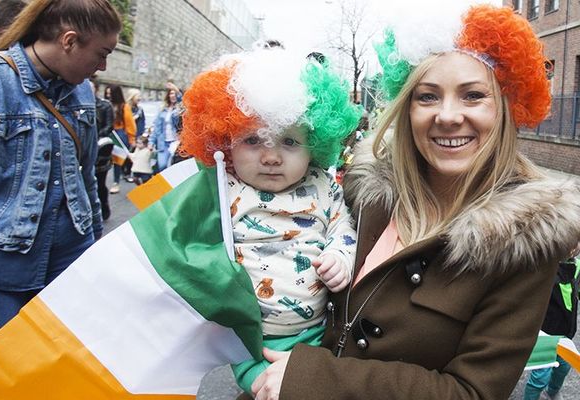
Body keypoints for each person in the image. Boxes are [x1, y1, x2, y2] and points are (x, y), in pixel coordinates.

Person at [247, 4, 580, 400]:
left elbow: (472, 392)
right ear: (407, 108)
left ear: (505, 108)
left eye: (473, 95)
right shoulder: (364, 194)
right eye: (427, 97)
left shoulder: (526, 240)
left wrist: (315, 379)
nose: (448, 115)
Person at [0, 0, 121, 353]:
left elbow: (85, 182)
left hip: (70, 262)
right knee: (1, 378)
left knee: (60, 370)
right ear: (69, 41)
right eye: (101, 53)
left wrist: (96, 251)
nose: (103, 66)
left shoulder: (81, 91)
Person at [178, 48, 362, 395]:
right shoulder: (221, 189)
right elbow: (189, 245)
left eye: (290, 141)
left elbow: (343, 228)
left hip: (317, 331)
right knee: (266, 391)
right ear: (225, 143)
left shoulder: (322, 186)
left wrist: (341, 256)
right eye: (252, 140)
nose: (272, 156)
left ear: (315, 145)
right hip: (246, 338)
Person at [523, 247, 579, 400]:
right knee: (540, 378)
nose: (574, 246)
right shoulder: (542, 270)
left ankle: (552, 393)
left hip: (565, 333)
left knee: (564, 367)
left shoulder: (576, 266)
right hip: (543, 334)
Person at [90, 77, 114, 220]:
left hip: (101, 151)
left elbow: (109, 126)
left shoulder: (105, 106)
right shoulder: (76, 104)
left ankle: (104, 208)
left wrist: (96, 137)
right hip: (85, 152)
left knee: (100, 183)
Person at [108, 84, 136, 193]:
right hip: (109, 133)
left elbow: (130, 124)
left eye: (110, 93)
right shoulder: (107, 105)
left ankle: (116, 182)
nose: (108, 95)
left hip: (119, 135)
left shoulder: (124, 107)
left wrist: (131, 139)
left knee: (117, 160)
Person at [154, 84, 182, 171]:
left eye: (174, 94)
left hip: (175, 141)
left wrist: (177, 90)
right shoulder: (163, 109)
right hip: (163, 142)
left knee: (173, 166)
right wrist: (151, 141)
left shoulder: (179, 108)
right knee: (162, 165)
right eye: (171, 93)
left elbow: (183, 101)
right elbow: (157, 126)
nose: (172, 96)